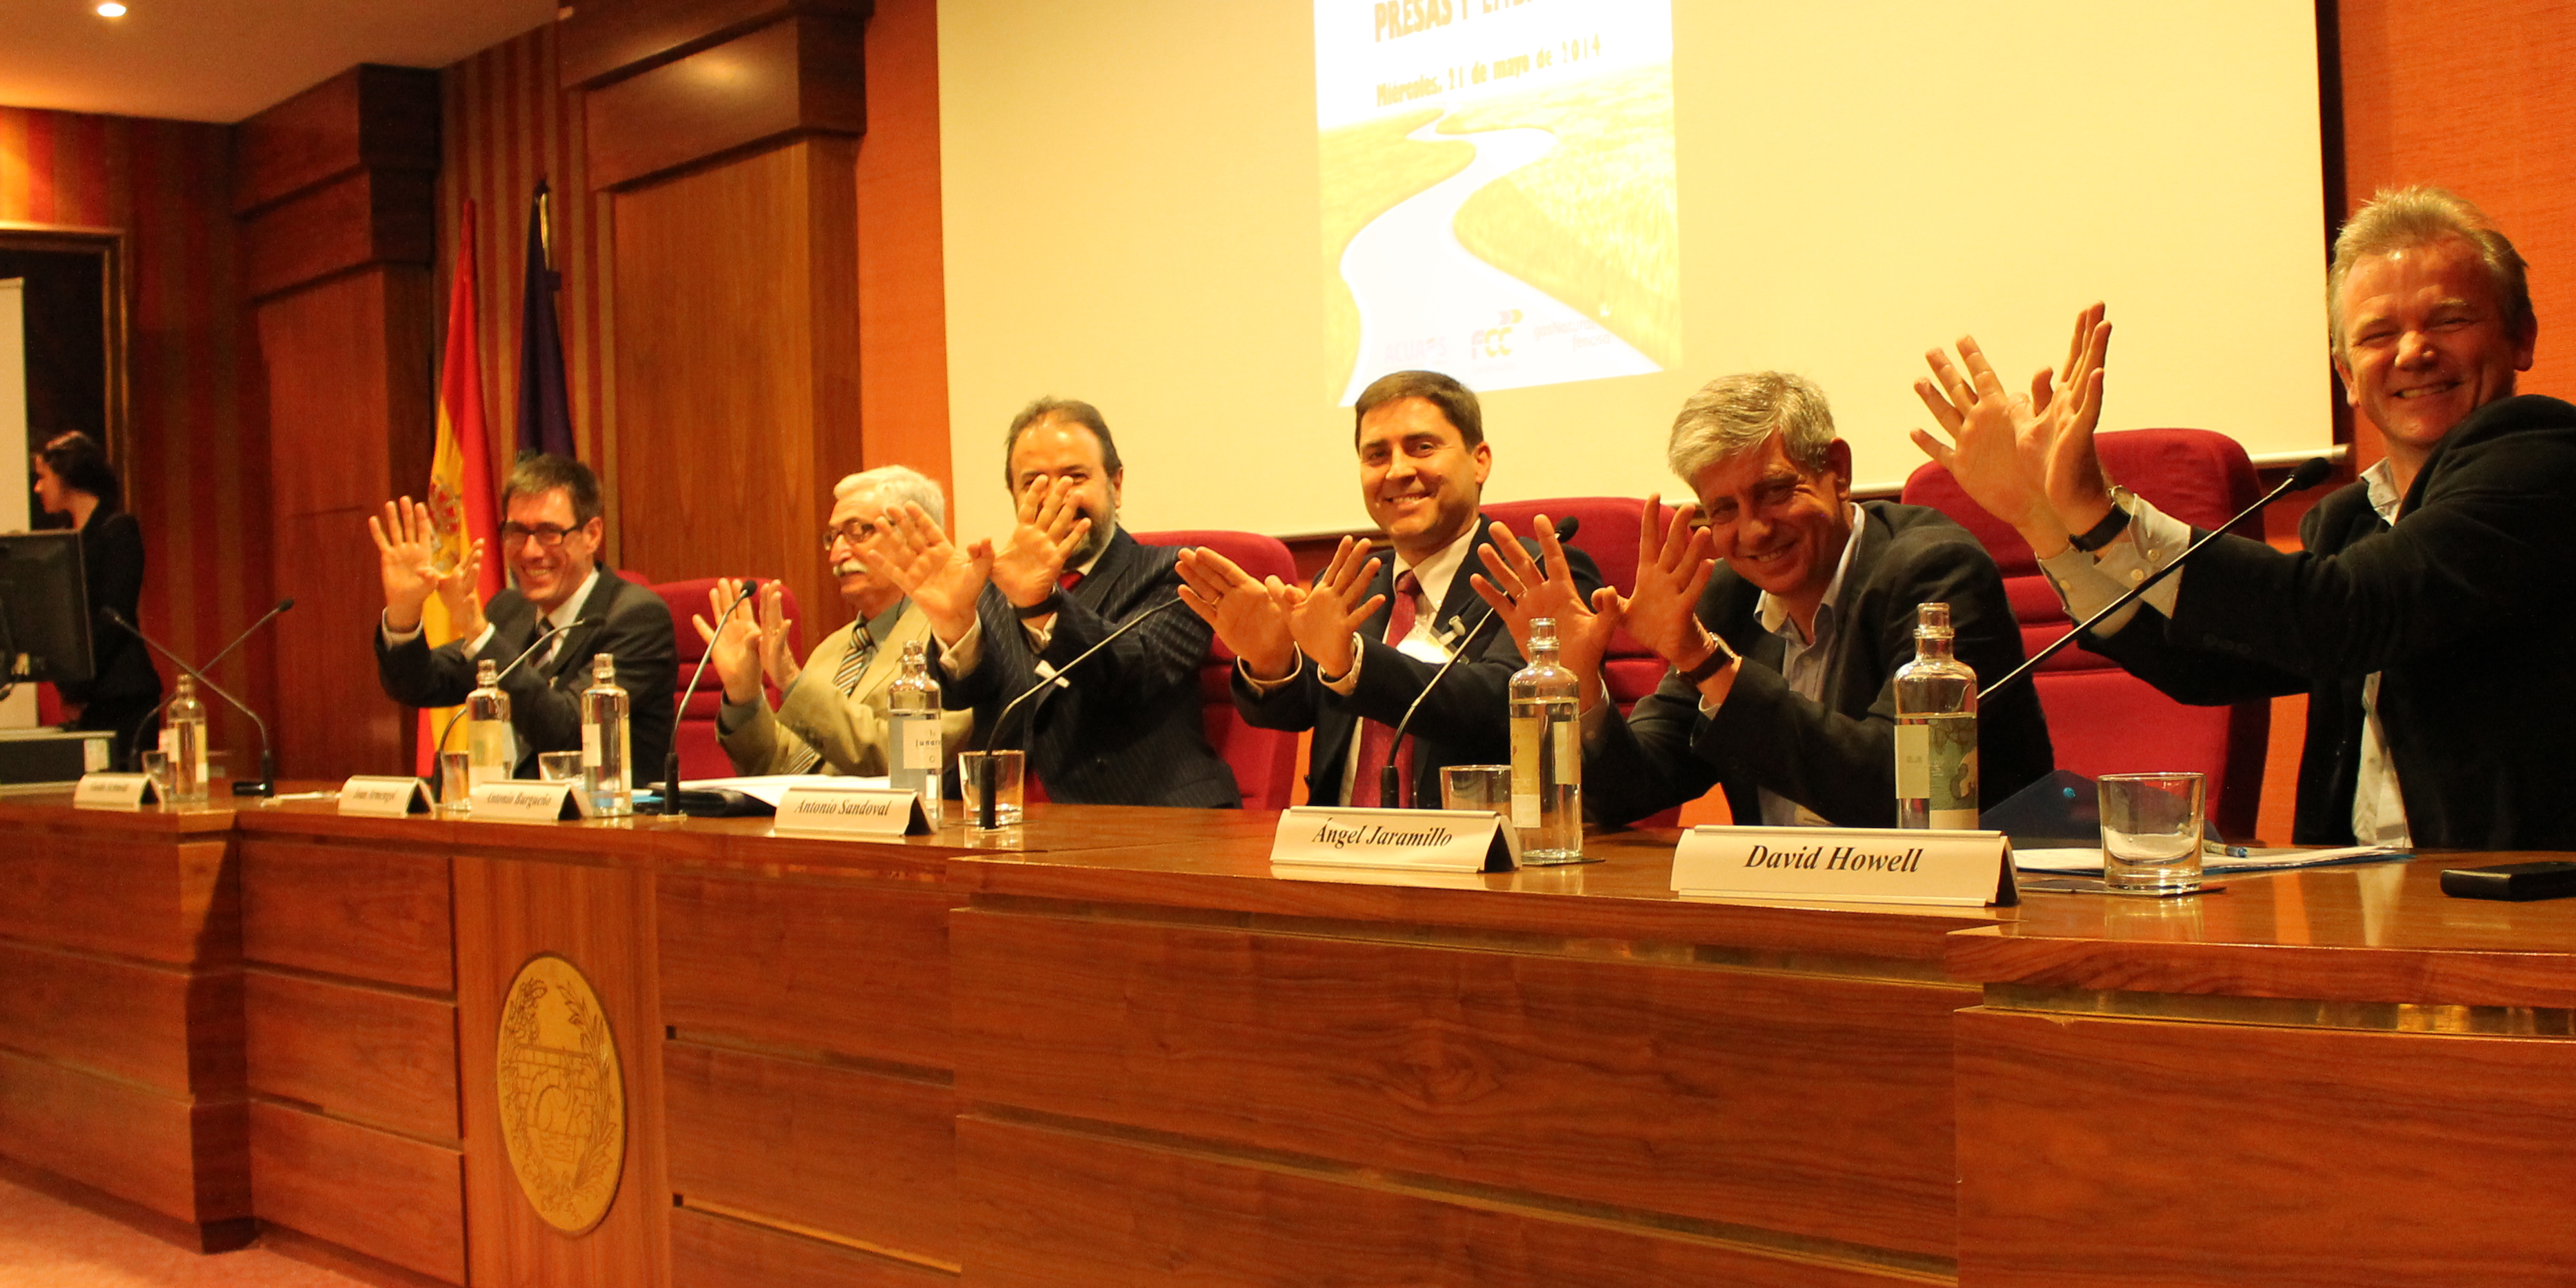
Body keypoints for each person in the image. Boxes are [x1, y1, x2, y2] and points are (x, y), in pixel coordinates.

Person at [1908, 183, 2576, 854]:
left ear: (2523, 339)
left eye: (2450, 320)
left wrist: (2099, 509)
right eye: (2377, 333)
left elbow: (2350, 614)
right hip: (2397, 907)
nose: (2412, 352)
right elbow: (2202, 664)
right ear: (2345, 373)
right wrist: (2044, 523)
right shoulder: (2351, 521)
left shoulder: (2550, 460)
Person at [1477, 372, 2051, 827]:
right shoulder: (1729, 592)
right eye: (1724, 509)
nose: (1752, 532)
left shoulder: (1934, 571)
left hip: (1966, 916)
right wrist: (1578, 687)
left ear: (1837, 471)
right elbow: (1640, 786)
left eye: (1774, 492)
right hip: (1783, 911)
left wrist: (1708, 663)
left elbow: (1901, 792)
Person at [1178, 371, 1607, 808]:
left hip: (1479, 853)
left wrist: (1354, 663)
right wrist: (1270, 662)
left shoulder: (1539, 575)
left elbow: (1507, 703)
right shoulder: (1350, 579)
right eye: (1376, 455)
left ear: (1480, 460)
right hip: (1335, 847)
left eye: (1422, 447)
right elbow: (1294, 710)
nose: (1398, 471)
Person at [862, 399, 1238, 807]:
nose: (1057, 496)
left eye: (1075, 477)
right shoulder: (990, 585)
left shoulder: (1177, 572)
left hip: (1138, 820)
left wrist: (1041, 604)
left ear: (1116, 485)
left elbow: (1133, 670)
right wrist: (955, 628)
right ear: (1014, 495)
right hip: (1000, 821)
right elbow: (966, 694)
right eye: (1034, 483)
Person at [369, 452, 677, 784]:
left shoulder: (636, 617)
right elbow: (420, 685)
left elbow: (567, 734)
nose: (530, 551)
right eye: (517, 532)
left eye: (548, 532)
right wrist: (403, 614)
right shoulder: (510, 609)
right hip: (511, 817)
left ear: (592, 535)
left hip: (607, 824)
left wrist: (477, 630)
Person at [697, 466, 970, 776]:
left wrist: (789, 679)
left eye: (858, 532)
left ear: (915, 534)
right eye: (833, 537)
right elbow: (774, 768)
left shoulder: (953, 641)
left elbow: (909, 758)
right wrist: (744, 696)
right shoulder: (834, 648)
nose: (837, 554)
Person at [32, 430, 161, 766]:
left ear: (68, 476)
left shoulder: (118, 531)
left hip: (122, 693)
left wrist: (78, 687)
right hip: (87, 696)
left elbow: (112, 617)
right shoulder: (64, 542)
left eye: (43, 477)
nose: (38, 488)